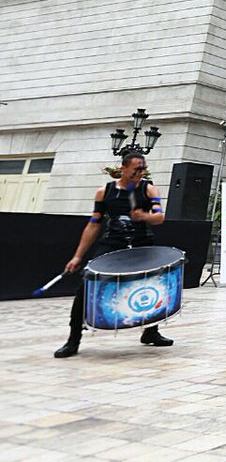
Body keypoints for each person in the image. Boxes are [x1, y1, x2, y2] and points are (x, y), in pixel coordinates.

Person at [55, 150, 172, 358]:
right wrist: (77, 256)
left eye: (143, 168)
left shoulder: (149, 189)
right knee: (87, 283)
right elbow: (93, 224)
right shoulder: (104, 191)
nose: (141, 172)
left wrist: (144, 215)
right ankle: (73, 339)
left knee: (152, 284)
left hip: (142, 245)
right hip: (112, 243)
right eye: (136, 168)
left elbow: (159, 218)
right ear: (123, 169)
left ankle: (151, 332)